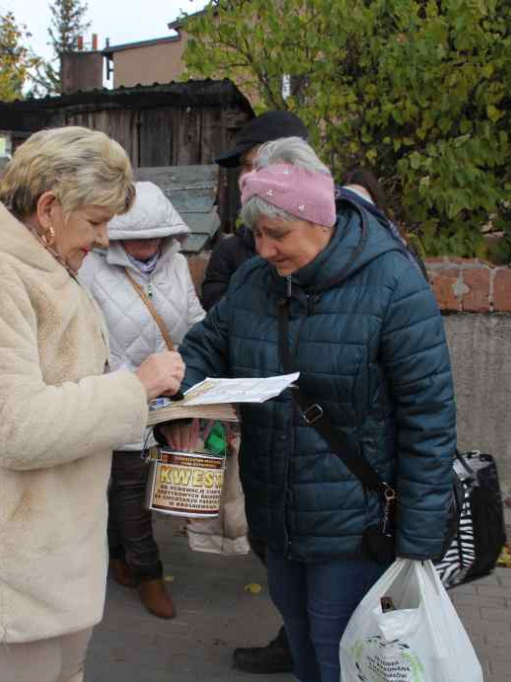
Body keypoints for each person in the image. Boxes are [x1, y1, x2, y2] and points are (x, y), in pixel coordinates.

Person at [163, 137, 457, 682]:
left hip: (356, 525)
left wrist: (418, 538)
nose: (266, 250)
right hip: (277, 512)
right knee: (302, 645)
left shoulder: (394, 285)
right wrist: (181, 398)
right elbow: (207, 345)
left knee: (340, 653)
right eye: (257, 235)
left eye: (278, 235)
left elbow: (429, 419)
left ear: (320, 219)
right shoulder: (255, 281)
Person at [0, 126, 184, 682]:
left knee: (68, 669)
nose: (104, 239)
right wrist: (134, 389)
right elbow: (14, 427)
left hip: (50, 524)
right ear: (48, 208)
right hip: (17, 532)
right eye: (95, 221)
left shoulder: (36, 263)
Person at [201, 110, 310, 674]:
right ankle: (294, 638)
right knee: (278, 555)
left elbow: (421, 399)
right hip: (269, 445)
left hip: (333, 472)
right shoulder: (239, 258)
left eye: (247, 166)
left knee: (337, 613)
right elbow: (215, 328)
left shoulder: (373, 258)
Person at [78, 181, 205, 620]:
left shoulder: (176, 266)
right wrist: (126, 384)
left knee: (131, 485)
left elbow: (194, 321)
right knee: (130, 485)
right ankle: (149, 572)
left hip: (168, 398)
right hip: (121, 395)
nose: (147, 244)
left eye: (156, 234)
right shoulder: (90, 269)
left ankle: (118, 559)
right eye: (137, 236)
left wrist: (195, 373)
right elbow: (84, 339)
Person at [201, 111, 309, 313]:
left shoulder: (344, 250)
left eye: (255, 165)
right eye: (244, 167)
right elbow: (216, 321)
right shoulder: (229, 251)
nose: (244, 178)